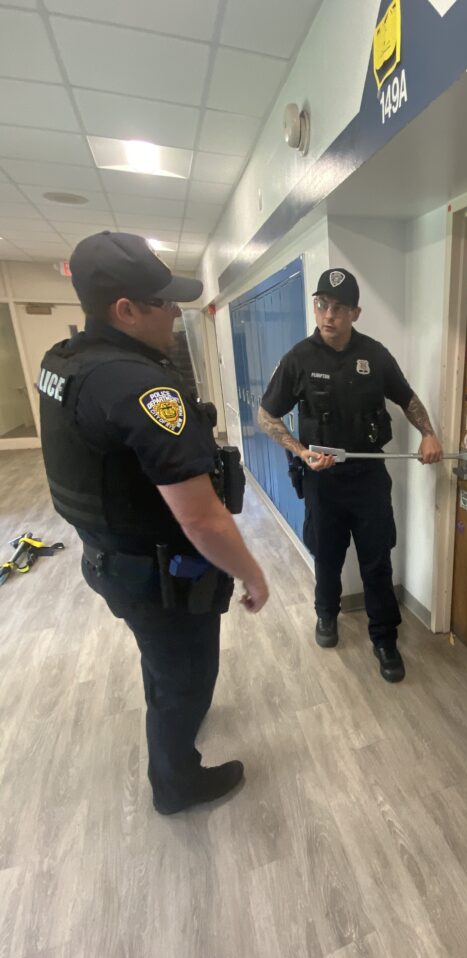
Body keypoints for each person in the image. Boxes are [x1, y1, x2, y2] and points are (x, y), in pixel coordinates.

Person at [37, 231, 269, 815]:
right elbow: (201, 519)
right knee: (188, 674)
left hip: (109, 559)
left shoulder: (62, 362)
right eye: (163, 302)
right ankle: (176, 784)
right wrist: (252, 574)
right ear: (126, 311)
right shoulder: (142, 386)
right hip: (159, 574)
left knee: (162, 660)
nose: (175, 312)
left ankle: (174, 705)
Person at [257, 268, 442, 682]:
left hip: (369, 477)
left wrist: (429, 434)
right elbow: (267, 414)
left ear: (355, 312)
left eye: (339, 308)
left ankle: (384, 637)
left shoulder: (375, 356)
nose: (328, 315)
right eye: (322, 305)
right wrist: (299, 451)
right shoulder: (299, 358)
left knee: (377, 560)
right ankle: (326, 614)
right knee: (327, 555)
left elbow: (407, 398)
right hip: (322, 480)